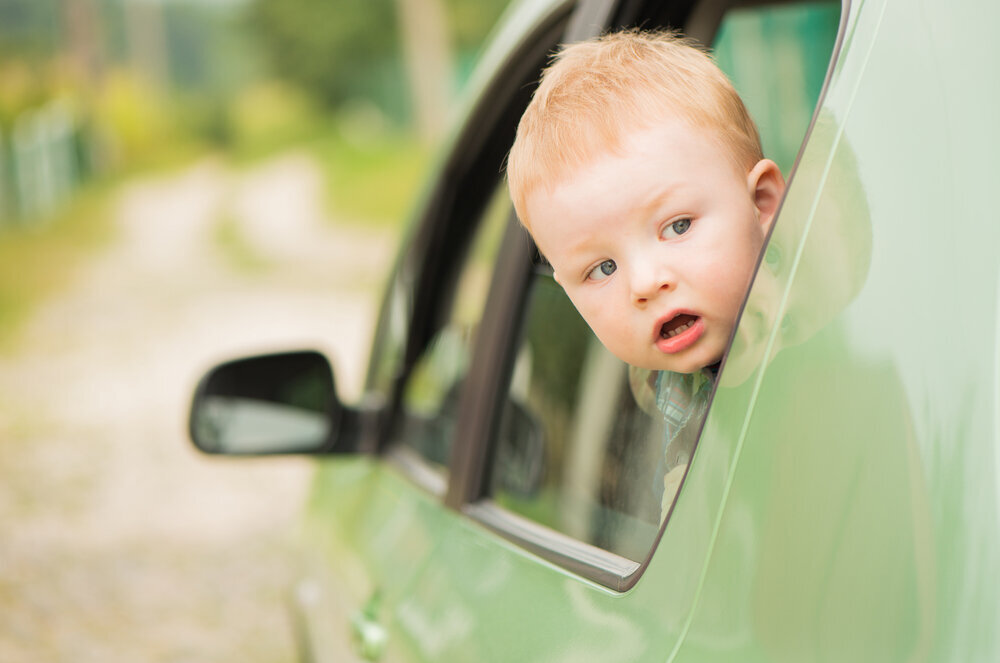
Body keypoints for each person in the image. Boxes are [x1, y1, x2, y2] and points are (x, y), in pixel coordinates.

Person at [505, 29, 786, 513]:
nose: (644, 283)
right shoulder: (651, 386)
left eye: (677, 226)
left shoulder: (814, 362)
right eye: (603, 268)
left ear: (761, 204)